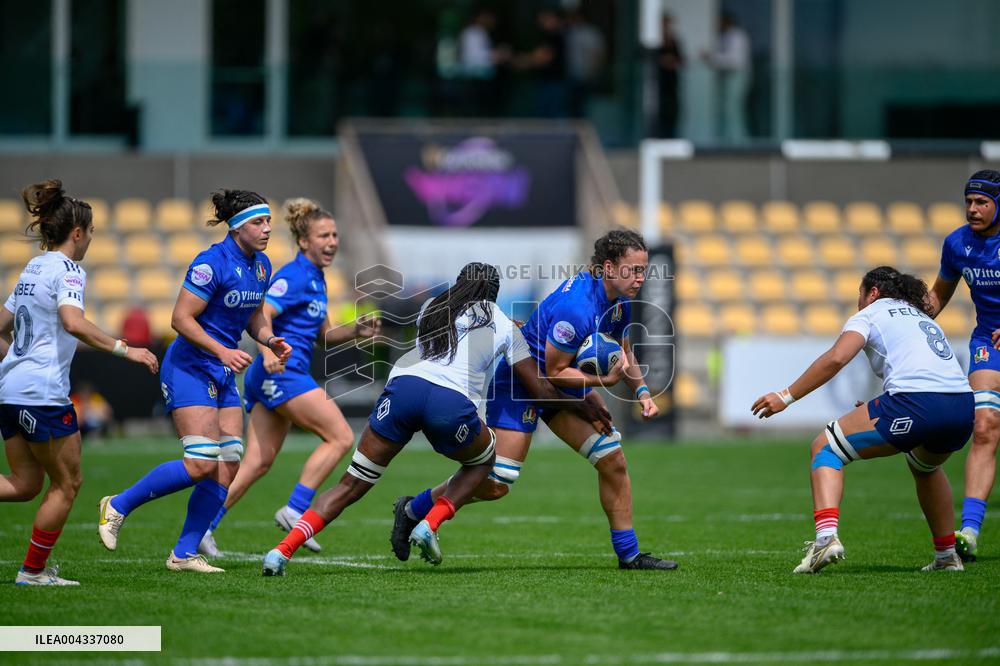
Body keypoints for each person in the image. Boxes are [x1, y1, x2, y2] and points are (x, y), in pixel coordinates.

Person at [260, 263, 612, 575]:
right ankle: (430, 522)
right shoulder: (505, 325)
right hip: (449, 403)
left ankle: (281, 551)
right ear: (495, 294)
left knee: (350, 485)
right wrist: (593, 392)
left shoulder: (432, 307)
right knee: (486, 460)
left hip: (402, 391)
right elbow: (538, 390)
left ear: (458, 285)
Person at [392, 230, 676, 571]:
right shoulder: (578, 307)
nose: (640, 278)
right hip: (521, 383)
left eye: (644, 270)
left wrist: (643, 393)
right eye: (633, 270)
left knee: (613, 461)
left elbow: (623, 351)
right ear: (608, 268)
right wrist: (600, 384)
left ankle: (629, 555)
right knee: (497, 484)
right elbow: (554, 373)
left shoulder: (620, 303)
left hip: (560, 385)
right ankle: (412, 509)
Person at [97, 189, 291, 573]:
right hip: (189, 366)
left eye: (269, 220)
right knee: (202, 463)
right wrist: (222, 351)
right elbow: (180, 319)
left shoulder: (262, 266)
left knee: (230, 460)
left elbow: (253, 315)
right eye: (259, 221)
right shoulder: (211, 263)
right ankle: (118, 504)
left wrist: (268, 339)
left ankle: (184, 553)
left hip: (221, 370)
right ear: (237, 228)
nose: (268, 228)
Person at [752, 266, 974, 573]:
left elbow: (836, 358)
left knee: (825, 448)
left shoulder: (871, 313)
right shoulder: (918, 315)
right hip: (962, 405)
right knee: (926, 466)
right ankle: (947, 555)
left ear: (873, 292)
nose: (858, 300)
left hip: (916, 401)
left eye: (859, 293)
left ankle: (826, 539)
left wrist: (786, 396)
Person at [198, 198, 380, 557]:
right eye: (323, 236)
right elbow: (262, 309)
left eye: (334, 235)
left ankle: (203, 526)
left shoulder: (316, 278)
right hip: (282, 372)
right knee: (341, 437)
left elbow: (323, 335)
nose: (332, 242)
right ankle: (296, 508)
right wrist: (266, 351)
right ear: (303, 242)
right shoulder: (294, 276)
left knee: (256, 463)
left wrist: (355, 331)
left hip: (278, 375)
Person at [0, 180, 158, 585]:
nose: (90, 240)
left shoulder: (32, 268)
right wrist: (128, 349)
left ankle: (33, 570)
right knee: (68, 483)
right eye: (90, 233)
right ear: (77, 233)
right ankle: (33, 572)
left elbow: (2, 326)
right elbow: (73, 322)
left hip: (11, 391)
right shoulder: (69, 269)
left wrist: (16, 361)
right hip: (42, 395)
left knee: (24, 484)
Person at [927, 169, 1000, 562]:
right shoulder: (957, 244)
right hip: (989, 344)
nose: (973, 209)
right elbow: (937, 298)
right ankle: (969, 532)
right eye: (969, 201)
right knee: (985, 424)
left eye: (982, 202)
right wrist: (906, 320)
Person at [700, 12, 750, 143]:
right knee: (726, 110)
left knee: (732, 110)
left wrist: (712, 58)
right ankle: (727, 139)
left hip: (736, 76)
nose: (718, 26)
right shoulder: (723, 37)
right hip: (726, 78)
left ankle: (738, 140)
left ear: (726, 22)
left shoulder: (737, 36)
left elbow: (735, 61)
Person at [655, 12, 684, 138]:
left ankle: (671, 136)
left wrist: (670, 62)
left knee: (671, 110)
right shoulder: (654, 42)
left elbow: (680, 60)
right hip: (658, 82)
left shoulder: (674, 41)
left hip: (671, 82)